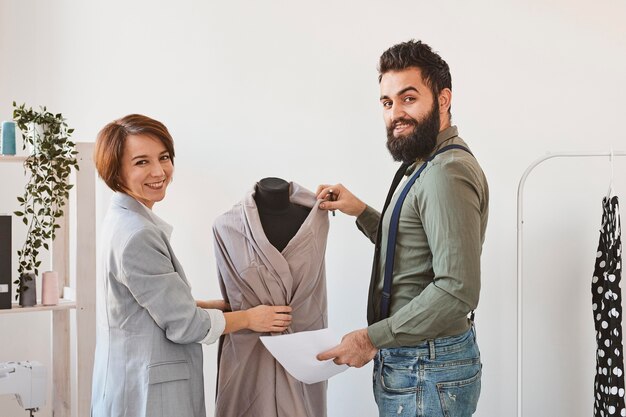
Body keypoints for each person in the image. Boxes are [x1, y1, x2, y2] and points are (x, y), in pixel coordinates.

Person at [316, 40, 489, 417]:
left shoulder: (446, 172)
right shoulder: (426, 162)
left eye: (408, 98)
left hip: (427, 366)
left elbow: (457, 290)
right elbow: (411, 248)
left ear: (443, 99)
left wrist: (369, 339)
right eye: (387, 102)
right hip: (418, 362)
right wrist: (360, 210)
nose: (396, 113)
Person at [90, 114, 293, 417]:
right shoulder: (138, 235)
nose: (159, 171)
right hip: (147, 392)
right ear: (116, 170)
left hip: (124, 379)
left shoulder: (120, 219)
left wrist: (204, 304)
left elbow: (139, 304)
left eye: (164, 157)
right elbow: (186, 325)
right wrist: (250, 319)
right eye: (141, 162)